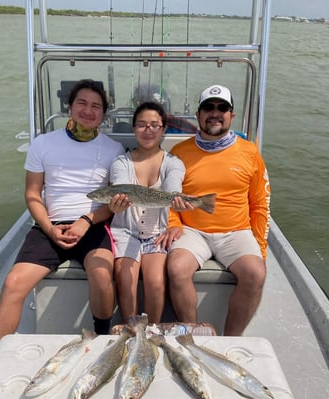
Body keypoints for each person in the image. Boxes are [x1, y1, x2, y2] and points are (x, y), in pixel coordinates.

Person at [0, 79, 125, 399]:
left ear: (103, 114)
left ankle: (104, 339)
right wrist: (49, 227)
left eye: (96, 106)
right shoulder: (43, 143)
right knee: (14, 282)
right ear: (70, 106)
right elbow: (33, 194)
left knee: (103, 273)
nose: (88, 110)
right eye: (82, 103)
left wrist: (83, 222)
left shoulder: (113, 150)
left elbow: (110, 203)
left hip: (90, 225)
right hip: (48, 226)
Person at [157, 84, 271, 336]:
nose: (215, 113)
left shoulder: (250, 152)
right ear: (198, 115)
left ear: (232, 115)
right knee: (176, 269)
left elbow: (260, 203)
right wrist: (174, 224)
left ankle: (229, 340)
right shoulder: (179, 152)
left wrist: (260, 248)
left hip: (236, 231)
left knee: (255, 273)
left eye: (222, 108)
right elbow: (169, 197)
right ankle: (193, 335)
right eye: (208, 107)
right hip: (192, 230)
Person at [108, 101, 186, 323]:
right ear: (134, 129)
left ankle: (151, 331)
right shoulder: (120, 162)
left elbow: (173, 185)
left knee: (155, 282)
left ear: (163, 129)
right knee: (125, 279)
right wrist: (117, 203)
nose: (148, 130)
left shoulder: (173, 162)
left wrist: (175, 198)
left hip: (156, 232)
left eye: (154, 125)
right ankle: (131, 330)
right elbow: (122, 186)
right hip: (125, 230)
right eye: (141, 125)